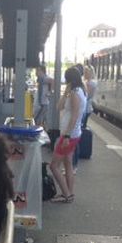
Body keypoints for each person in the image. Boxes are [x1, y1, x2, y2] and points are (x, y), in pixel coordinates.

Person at [49, 67, 86, 203]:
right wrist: (65, 94)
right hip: (73, 134)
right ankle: (69, 193)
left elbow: (74, 116)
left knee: (53, 166)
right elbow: (59, 107)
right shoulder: (78, 91)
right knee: (68, 163)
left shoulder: (76, 94)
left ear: (70, 79)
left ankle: (66, 194)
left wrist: (66, 136)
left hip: (68, 135)